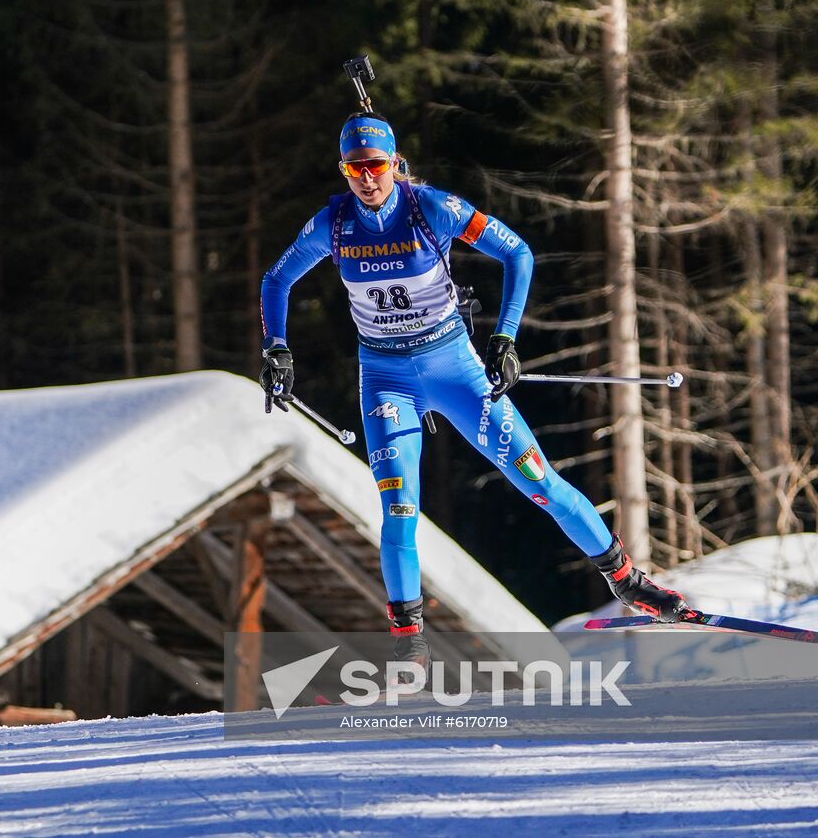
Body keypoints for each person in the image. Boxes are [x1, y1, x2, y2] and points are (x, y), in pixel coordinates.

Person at [258, 111, 688, 654]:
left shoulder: (431, 208)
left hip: (455, 371)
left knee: (538, 482)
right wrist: (276, 347)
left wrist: (506, 338)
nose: (366, 178)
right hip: (386, 381)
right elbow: (277, 279)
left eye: (376, 165)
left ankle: (627, 581)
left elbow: (517, 253)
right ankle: (408, 649)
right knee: (398, 511)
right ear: (342, 170)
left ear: (393, 163)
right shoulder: (333, 224)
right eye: (353, 168)